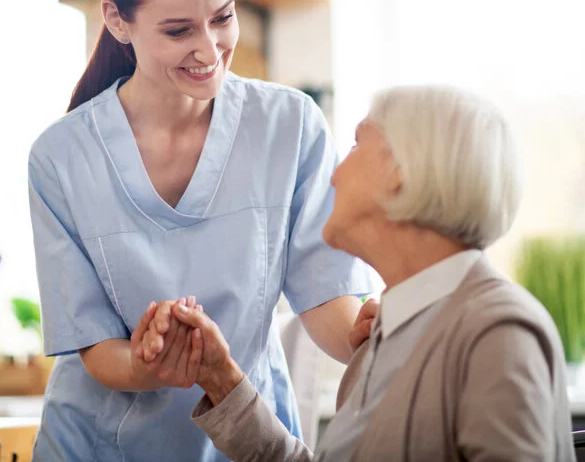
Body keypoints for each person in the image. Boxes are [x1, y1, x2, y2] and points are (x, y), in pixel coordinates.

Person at [27, 0, 372, 461]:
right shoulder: (61, 158)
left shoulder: (291, 126)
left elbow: (326, 297)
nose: (210, 50)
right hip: (96, 449)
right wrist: (149, 361)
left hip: (246, 444)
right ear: (117, 21)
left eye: (223, 17)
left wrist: (367, 334)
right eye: (178, 30)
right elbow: (95, 351)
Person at [169, 85, 576, 461]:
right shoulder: (383, 338)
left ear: (399, 171)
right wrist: (221, 379)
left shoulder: (498, 333)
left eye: (357, 144)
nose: (334, 174)